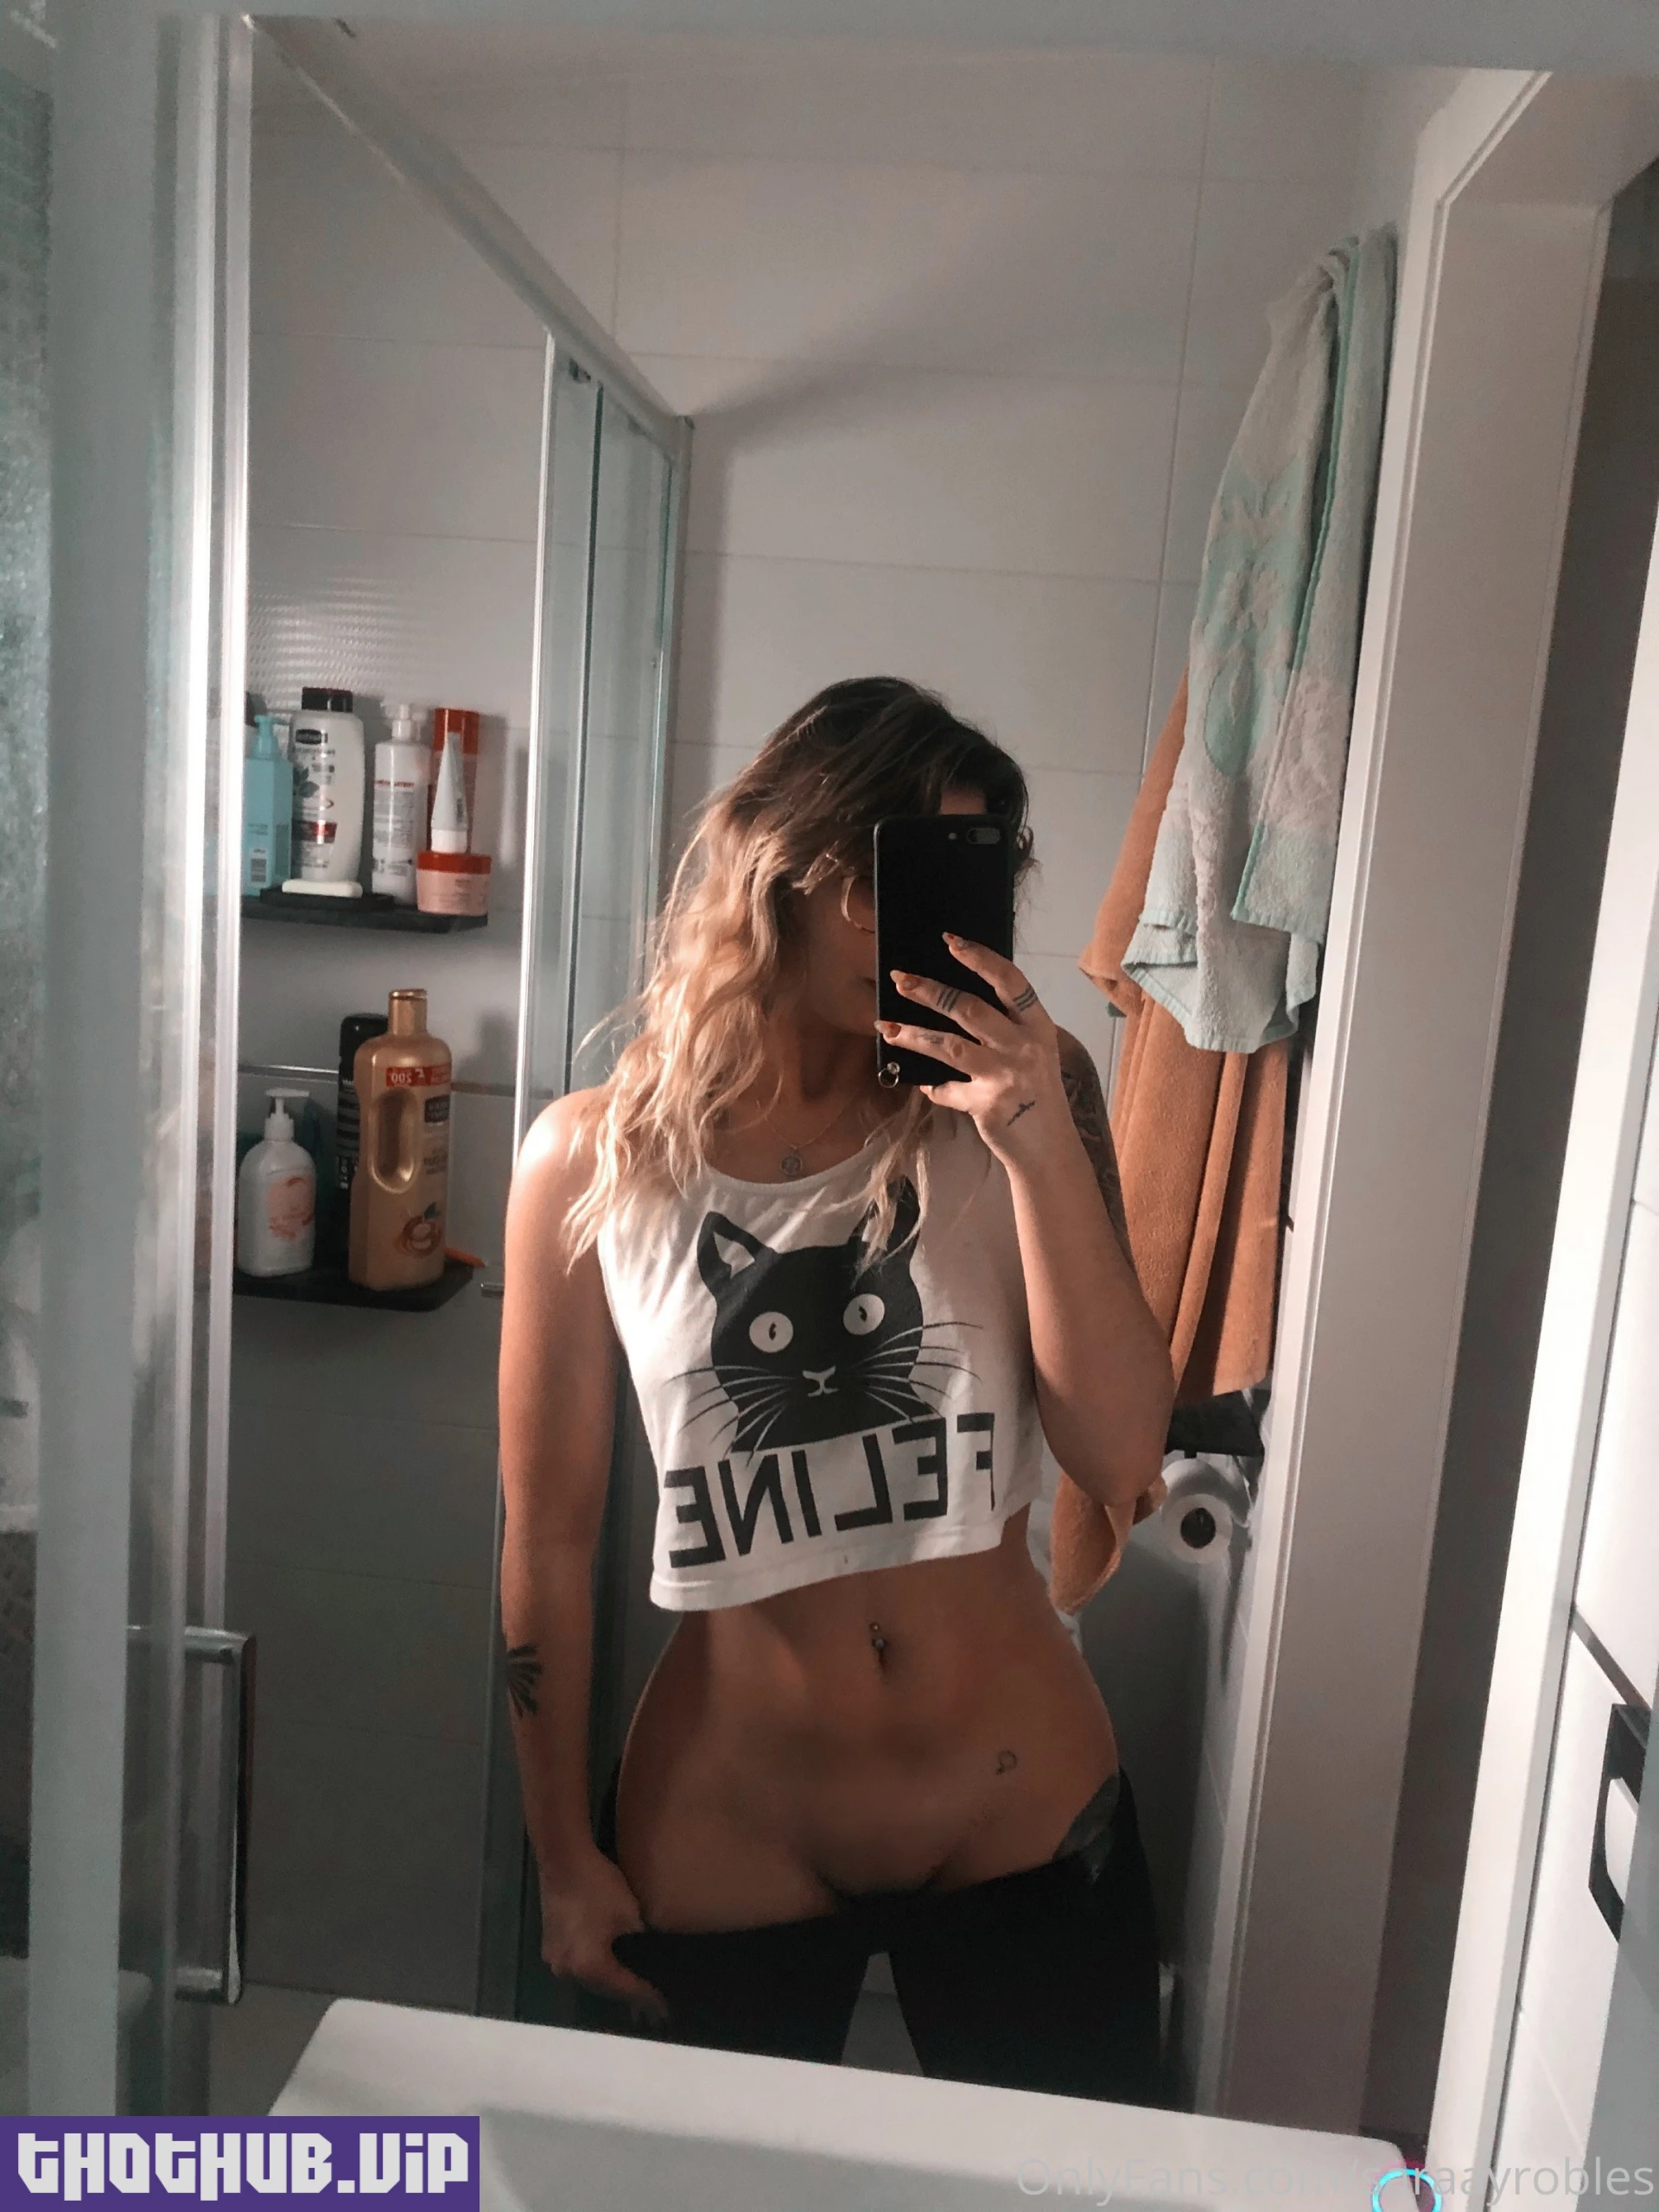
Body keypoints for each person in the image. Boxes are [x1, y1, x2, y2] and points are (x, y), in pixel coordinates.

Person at [499, 677, 1173, 2102]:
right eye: (884, 877)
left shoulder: (1026, 1100)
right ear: (784, 867)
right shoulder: (590, 1161)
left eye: (956, 882)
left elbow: (1121, 1455)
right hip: (730, 1816)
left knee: (1066, 2196)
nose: (911, 925)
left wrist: (1035, 1142)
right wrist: (561, 1857)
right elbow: (547, 1541)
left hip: (1015, 1793)